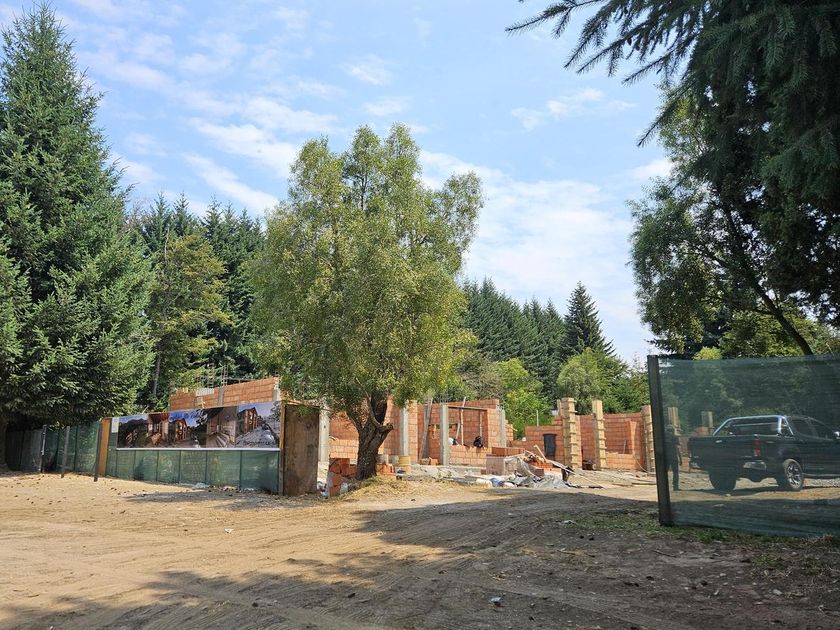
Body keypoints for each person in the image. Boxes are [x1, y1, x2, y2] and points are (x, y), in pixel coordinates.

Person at [665, 425, 682, 491]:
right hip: (673, 457)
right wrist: (680, 458)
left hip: (666, 457)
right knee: (675, 472)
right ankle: (675, 486)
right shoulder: (674, 437)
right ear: (672, 430)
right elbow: (678, 448)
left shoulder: (664, 437)